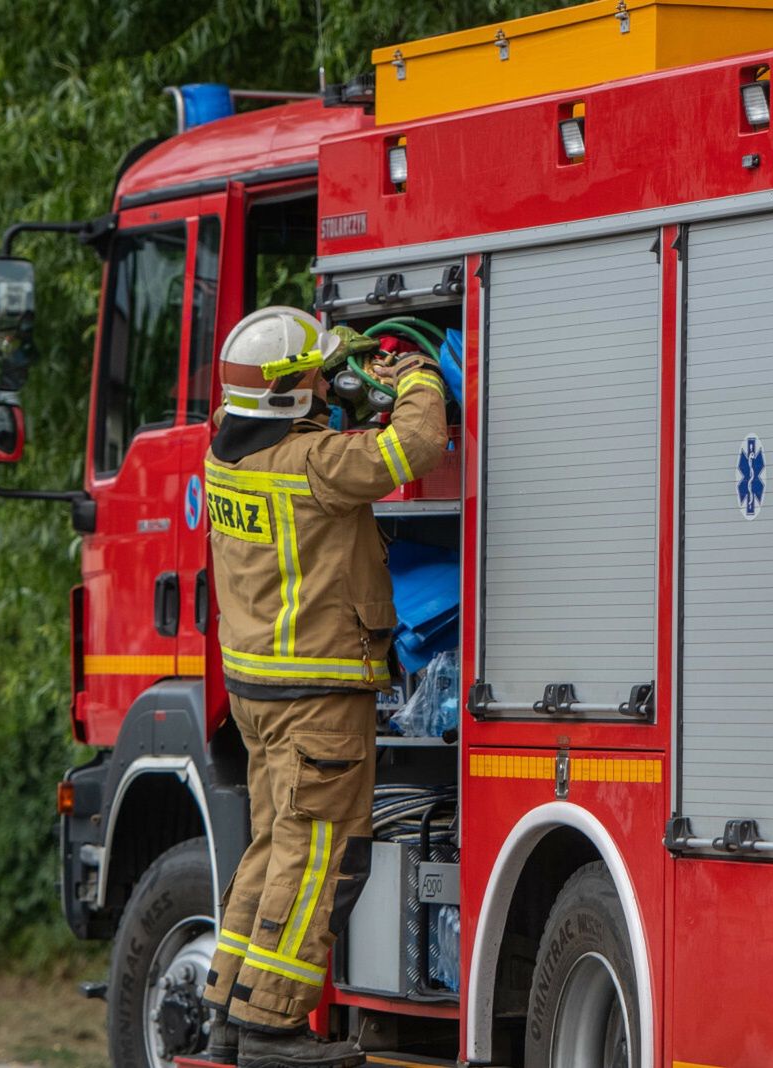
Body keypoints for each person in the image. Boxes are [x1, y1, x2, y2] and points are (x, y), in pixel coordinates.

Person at [198, 306, 449, 1068]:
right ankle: (274, 1032)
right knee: (318, 863)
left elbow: (301, 425)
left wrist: (338, 391)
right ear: (291, 395)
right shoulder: (316, 465)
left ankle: (227, 1016)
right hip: (317, 694)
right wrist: (416, 377)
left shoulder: (224, 453)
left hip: (259, 696)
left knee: (272, 849)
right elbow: (416, 445)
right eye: (314, 373)